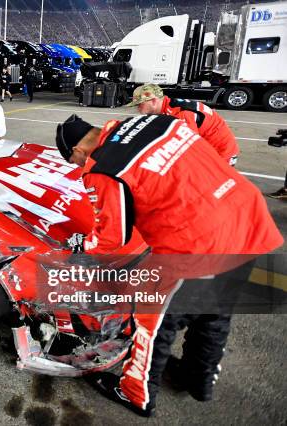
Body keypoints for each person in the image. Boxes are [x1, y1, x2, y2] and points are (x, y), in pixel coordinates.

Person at [55, 114, 283, 417]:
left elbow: (113, 237)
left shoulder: (102, 168)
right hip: (245, 216)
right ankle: (198, 381)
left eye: (74, 162)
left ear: (78, 151)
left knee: (152, 322)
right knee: (214, 314)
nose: (79, 168)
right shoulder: (156, 121)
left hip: (194, 242)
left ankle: (136, 394)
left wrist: (81, 247)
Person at [127, 83, 239, 165]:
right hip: (211, 151)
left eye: (140, 104)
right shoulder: (170, 106)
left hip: (221, 155)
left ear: (154, 101)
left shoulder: (181, 114)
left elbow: (186, 150)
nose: (138, 108)